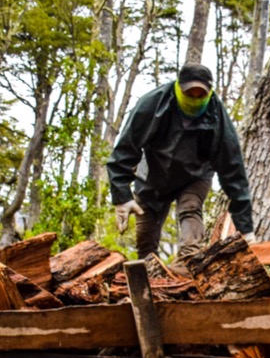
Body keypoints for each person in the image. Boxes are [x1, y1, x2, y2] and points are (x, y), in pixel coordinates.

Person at [107, 63, 256, 257]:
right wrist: (122, 196)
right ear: (178, 88)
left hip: (195, 175)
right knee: (145, 242)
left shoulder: (217, 115)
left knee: (191, 209)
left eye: (200, 95)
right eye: (189, 94)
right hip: (153, 175)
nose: (194, 99)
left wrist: (246, 229)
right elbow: (126, 148)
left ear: (209, 94)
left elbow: (233, 170)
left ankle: (189, 261)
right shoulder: (152, 104)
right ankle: (148, 275)